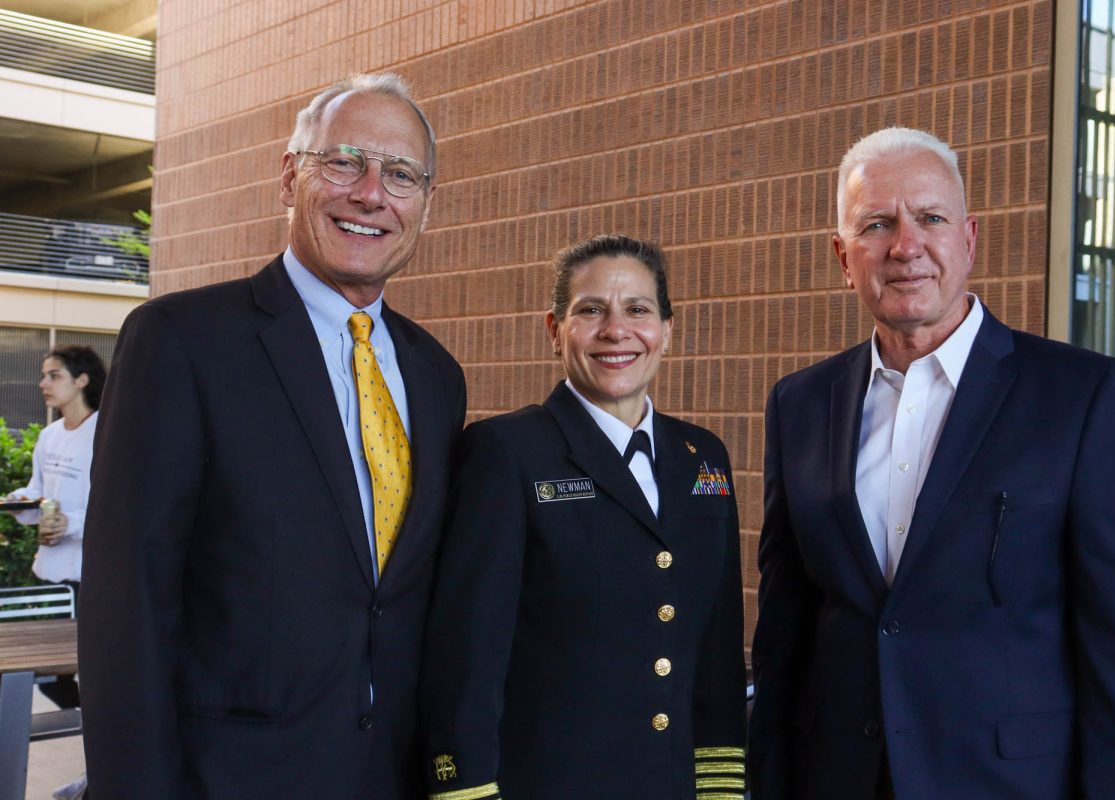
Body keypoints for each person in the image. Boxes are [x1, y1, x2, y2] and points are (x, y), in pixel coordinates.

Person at [79, 73, 466, 799]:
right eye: (344, 161)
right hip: (226, 779)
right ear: (291, 177)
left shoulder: (437, 376)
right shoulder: (183, 341)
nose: (371, 193)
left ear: (426, 204)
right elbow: (126, 603)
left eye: (401, 174)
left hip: (392, 775)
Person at [749, 127, 1115, 799]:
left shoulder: (1081, 396)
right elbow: (785, 635)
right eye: (876, 224)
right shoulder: (800, 403)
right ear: (842, 256)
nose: (905, 246)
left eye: (930, 218)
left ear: (968, 238)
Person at [420, 234, 746, 800]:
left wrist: (719, 787)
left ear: (668, 330)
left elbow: (716, 652)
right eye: (590, 310)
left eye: (638, 310)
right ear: (555, 330)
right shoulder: (507, 452)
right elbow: (468, 654)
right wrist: (467, 789)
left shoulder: (703, 457)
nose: (616, 331)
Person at [5, 344, 106, 710]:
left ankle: (101, 740)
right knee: (48, 678)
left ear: (82, 380)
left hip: (88, 576)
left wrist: (72, 524)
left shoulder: (104, 433)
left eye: (54, 375)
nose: (42, 383)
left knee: (86, 672)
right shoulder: (49, 435)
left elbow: (116, 507)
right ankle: (95, 732)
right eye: (43, 375)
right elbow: (39, 493)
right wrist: (20, 503)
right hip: (49, 573)